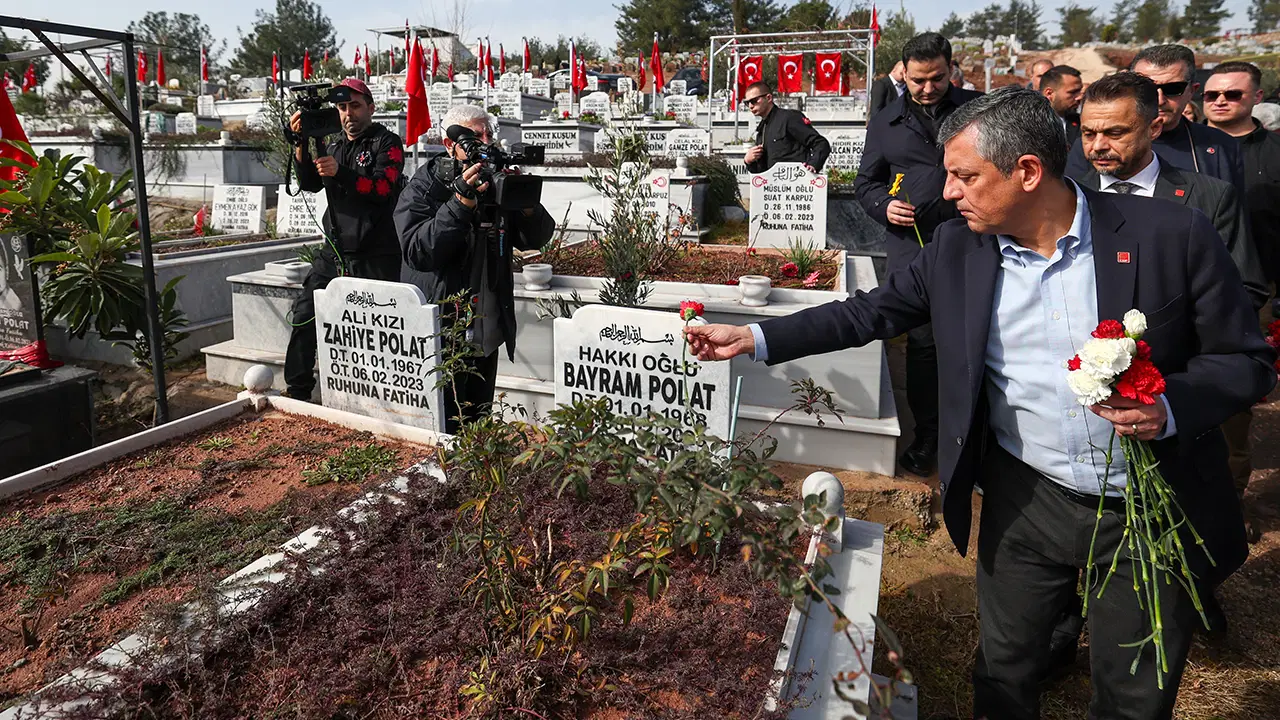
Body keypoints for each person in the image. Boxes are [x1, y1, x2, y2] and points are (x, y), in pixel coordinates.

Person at [686, 85, 1273, 720]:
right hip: (1027, 496)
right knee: (1005, 666)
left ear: (1028, 171)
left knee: (1133, 686)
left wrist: (1170, 407)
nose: (947, 193)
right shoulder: (956, 249)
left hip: (1148, 503)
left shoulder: (1170, 234)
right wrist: (755, 337)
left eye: (965, 177)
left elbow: (1244, 361)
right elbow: (869, 312)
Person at [852, 31, 982, 477]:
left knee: (977, 337)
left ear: (951, 69)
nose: (928, 88)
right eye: (918, 80)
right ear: (903, 74)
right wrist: (884, 206)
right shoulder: (886, 121)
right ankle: (928, 434)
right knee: (923, 343)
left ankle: (980, 435)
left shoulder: (978, 110)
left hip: (976, 239)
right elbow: (865, 183)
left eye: (937, 79)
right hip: (914, 248)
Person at [394, 105, 555, 432]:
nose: (485, 142)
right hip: (442, 326)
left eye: (488, 134)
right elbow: (417, 251)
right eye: (474, 136)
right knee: (444, 419)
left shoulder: (497, 180)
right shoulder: (426, 185)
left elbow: (535, 239)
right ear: (449, 144)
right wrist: (460, 203)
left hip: (486, 322)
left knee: (478, 420)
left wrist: (526, 204)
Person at [283, 78, 406, 401]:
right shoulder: (334, 144)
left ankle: (383, 399)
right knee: (304, 314)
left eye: (355, 105)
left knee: (379, 329)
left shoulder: (387, 142)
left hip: (375, 253)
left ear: (371, 108)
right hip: (335, 251)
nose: (348, 113)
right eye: (341, 107)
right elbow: (310, 184)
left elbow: (383, 189)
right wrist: (301, 145)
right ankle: (297, 391)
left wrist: (340, 172)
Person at [1204, 60, 1280, 545]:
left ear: (1256, 97)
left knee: (1234, 405)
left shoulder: (1274, 154)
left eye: (1232, 94)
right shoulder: (1185, 150)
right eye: (1212, 94)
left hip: (1254, 292)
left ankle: (1230, 502)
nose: (1220, 101)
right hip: (1191, 290)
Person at [1065, 45, 1245, 192]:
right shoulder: (1092, 149)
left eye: (1172, 89)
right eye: (1147, 89)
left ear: (1192, 90)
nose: (1159, 99)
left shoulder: (1220, 146)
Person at [742, 81, 831, 173]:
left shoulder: (789, 118)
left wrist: (813, 165)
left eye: (754, 101)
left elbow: (821, 143)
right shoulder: (762, 129)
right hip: (773, 181)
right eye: (747, 103)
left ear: (768, 98)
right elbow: (762, 171)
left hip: (797, 179)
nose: (750, 106)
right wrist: (748, 161)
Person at [1039, 65, 1084, 145]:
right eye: (1073, 92)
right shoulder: (1029, 124)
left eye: (1079, 91)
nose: (1079, 97)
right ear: (1049, 93)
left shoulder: (1081, 122)